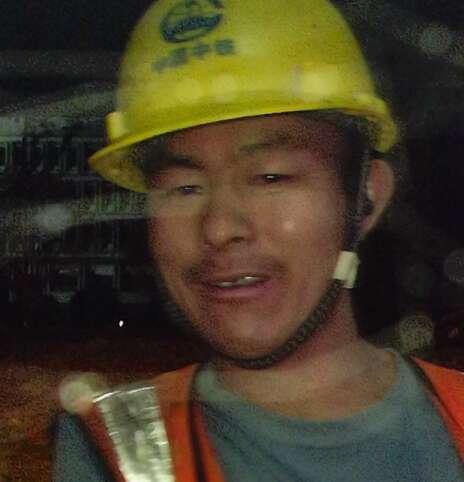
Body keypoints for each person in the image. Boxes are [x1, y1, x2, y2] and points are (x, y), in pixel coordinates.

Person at [53, 0, 464, 481]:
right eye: (184, 189)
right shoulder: (113, 450)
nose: (219, 228)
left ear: (366, 197)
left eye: (270, 178)